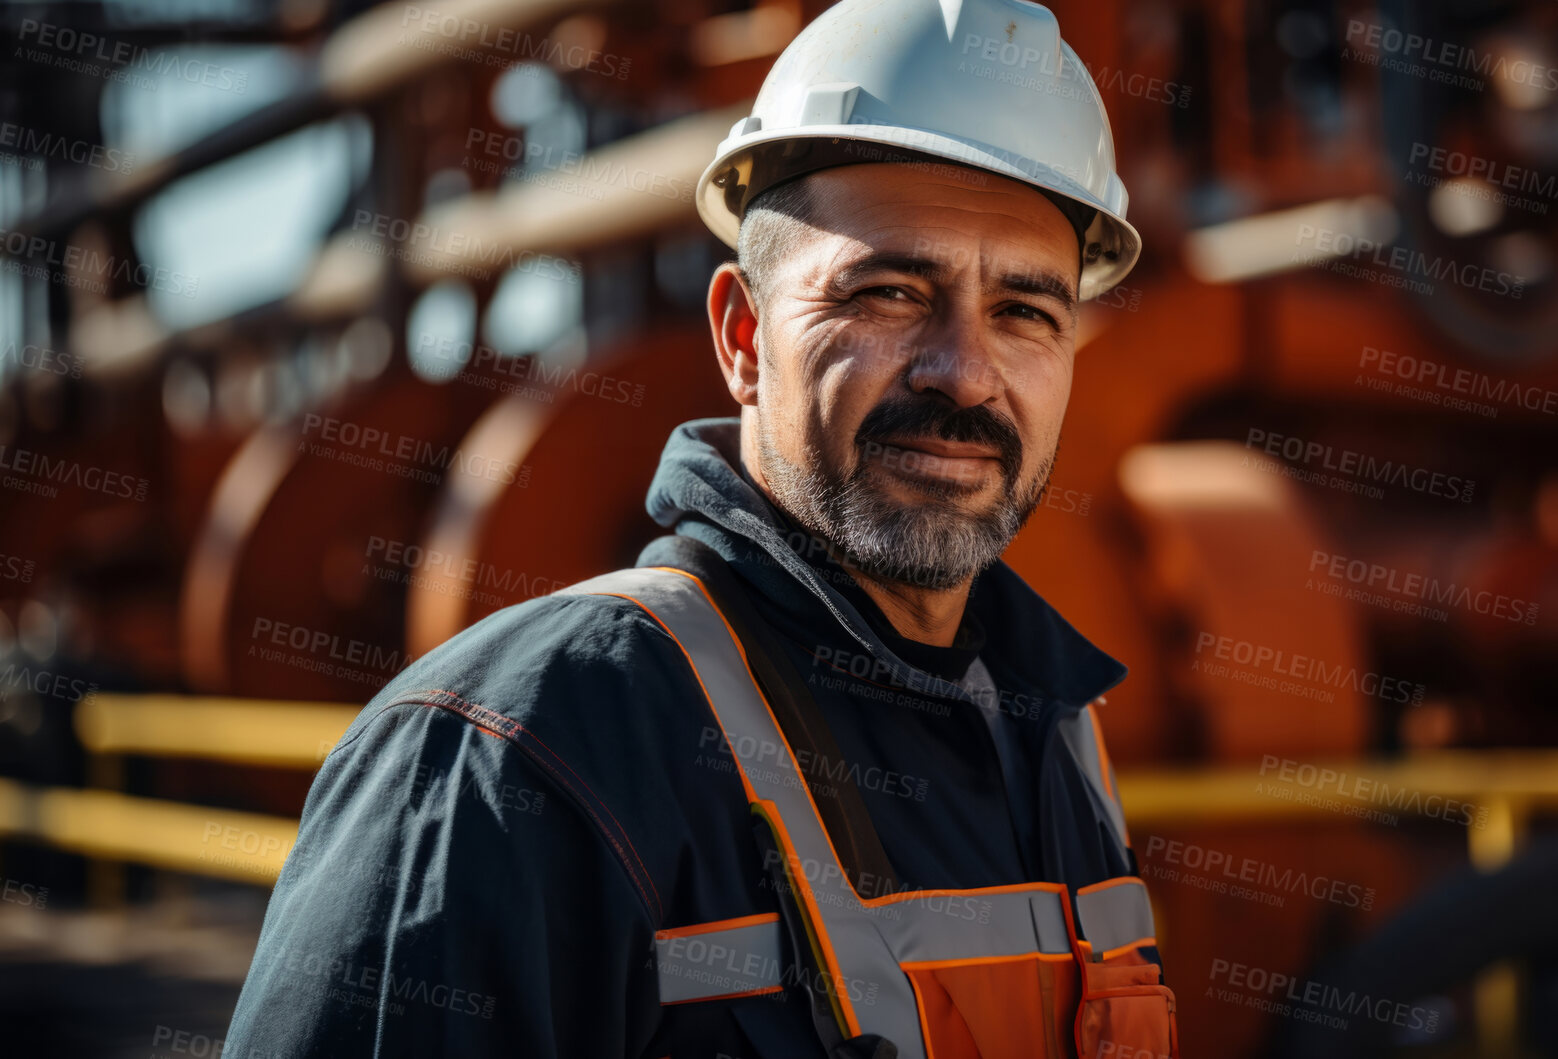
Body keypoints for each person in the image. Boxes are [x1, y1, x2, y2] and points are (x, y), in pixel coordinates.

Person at [225, 0, 1175, 1055]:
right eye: (890, 293)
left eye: (1024, 313)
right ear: (739, 338)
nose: (962, 370)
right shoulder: (510, 753)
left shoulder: (1056, 734)